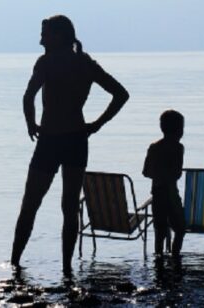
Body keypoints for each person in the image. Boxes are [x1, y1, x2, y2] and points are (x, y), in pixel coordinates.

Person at [11, 15, 129, 275]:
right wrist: (95, 125)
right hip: (77, 139)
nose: (40, 39)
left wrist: (31, 123)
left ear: (59, 35)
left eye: (45, 34)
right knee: (69, 206)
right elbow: (121, 94)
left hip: (52, 140)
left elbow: (28, 95)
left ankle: (15, 264)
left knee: (31, 203)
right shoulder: (84, 63)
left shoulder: (46, 62)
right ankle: (66, 269)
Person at [142, 109, 186, 256]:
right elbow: (177, 174)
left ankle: (159, 261)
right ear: (180, 130)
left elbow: (146, 172)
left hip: (157, 193)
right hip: (171, 194)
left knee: (159, 231)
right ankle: (175, 255)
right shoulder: (178, 148)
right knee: (180, 229)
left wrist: (159, 173)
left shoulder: (154, 147)